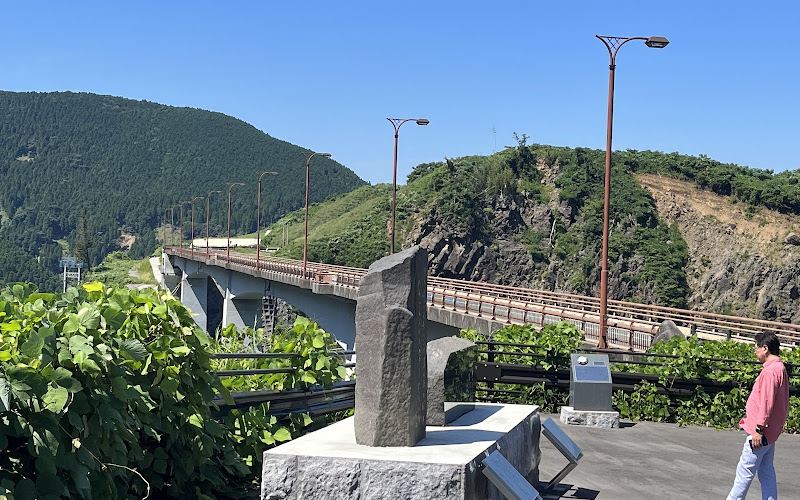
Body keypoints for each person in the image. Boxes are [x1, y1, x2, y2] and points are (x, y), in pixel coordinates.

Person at [726, 331, 790, 500]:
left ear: (765, 348)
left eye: (756, 348)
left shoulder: (770, 372)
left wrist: (759, 429)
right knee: (766, 471)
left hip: (761, 432)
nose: (755, 351)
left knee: (744, 471)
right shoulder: (779, 368)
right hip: (771, 432)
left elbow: (766, 402)